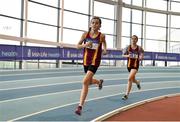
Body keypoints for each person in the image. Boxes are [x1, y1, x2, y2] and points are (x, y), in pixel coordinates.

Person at [75, 16, 107, 115]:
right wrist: (85, 45)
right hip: (86, 61)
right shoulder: (85, 34)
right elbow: (77, 46)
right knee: (88, 82)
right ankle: (98, 82)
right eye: (93, 22)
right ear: (90, 24)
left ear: (100, 25)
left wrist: (105, 50)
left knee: (85, 82)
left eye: (97, 23)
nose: (94, 24)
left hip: (95, 61)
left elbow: (105, 44)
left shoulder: (101, 36)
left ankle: (80, 106)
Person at [122, 35, 144, 100]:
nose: (133, 40)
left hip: (135, 66)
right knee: (132, 79)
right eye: (132, 39)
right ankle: (137, 82)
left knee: (129, 78)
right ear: (131, 40)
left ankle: (126, 95)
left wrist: (140, 57)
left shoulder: (139, 48)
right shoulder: (127, 47)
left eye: (135, 39)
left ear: (137, 40)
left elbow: (142, 55)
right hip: (129, 66)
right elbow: (122, 55)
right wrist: (128, 55)